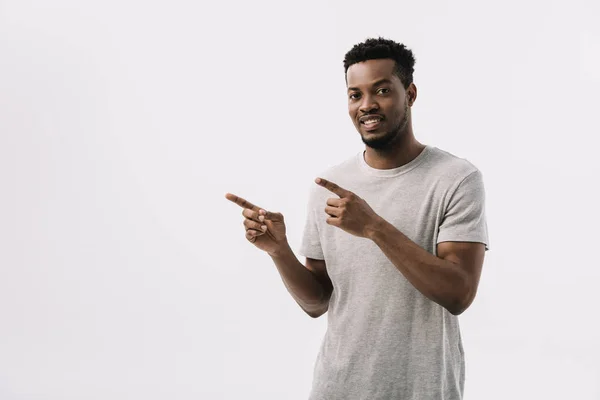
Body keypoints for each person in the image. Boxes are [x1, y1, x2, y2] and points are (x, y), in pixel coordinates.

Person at [225, 37, 489, 400]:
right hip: (338, 388)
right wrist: (279, 251)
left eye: (381, 90)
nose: (367, 105)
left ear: (410, 94)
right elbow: (317, 302)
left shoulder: (455, 178)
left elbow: (458, 293)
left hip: (423, 390)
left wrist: (373, 227)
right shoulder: (330, 187)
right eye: (355, 95)